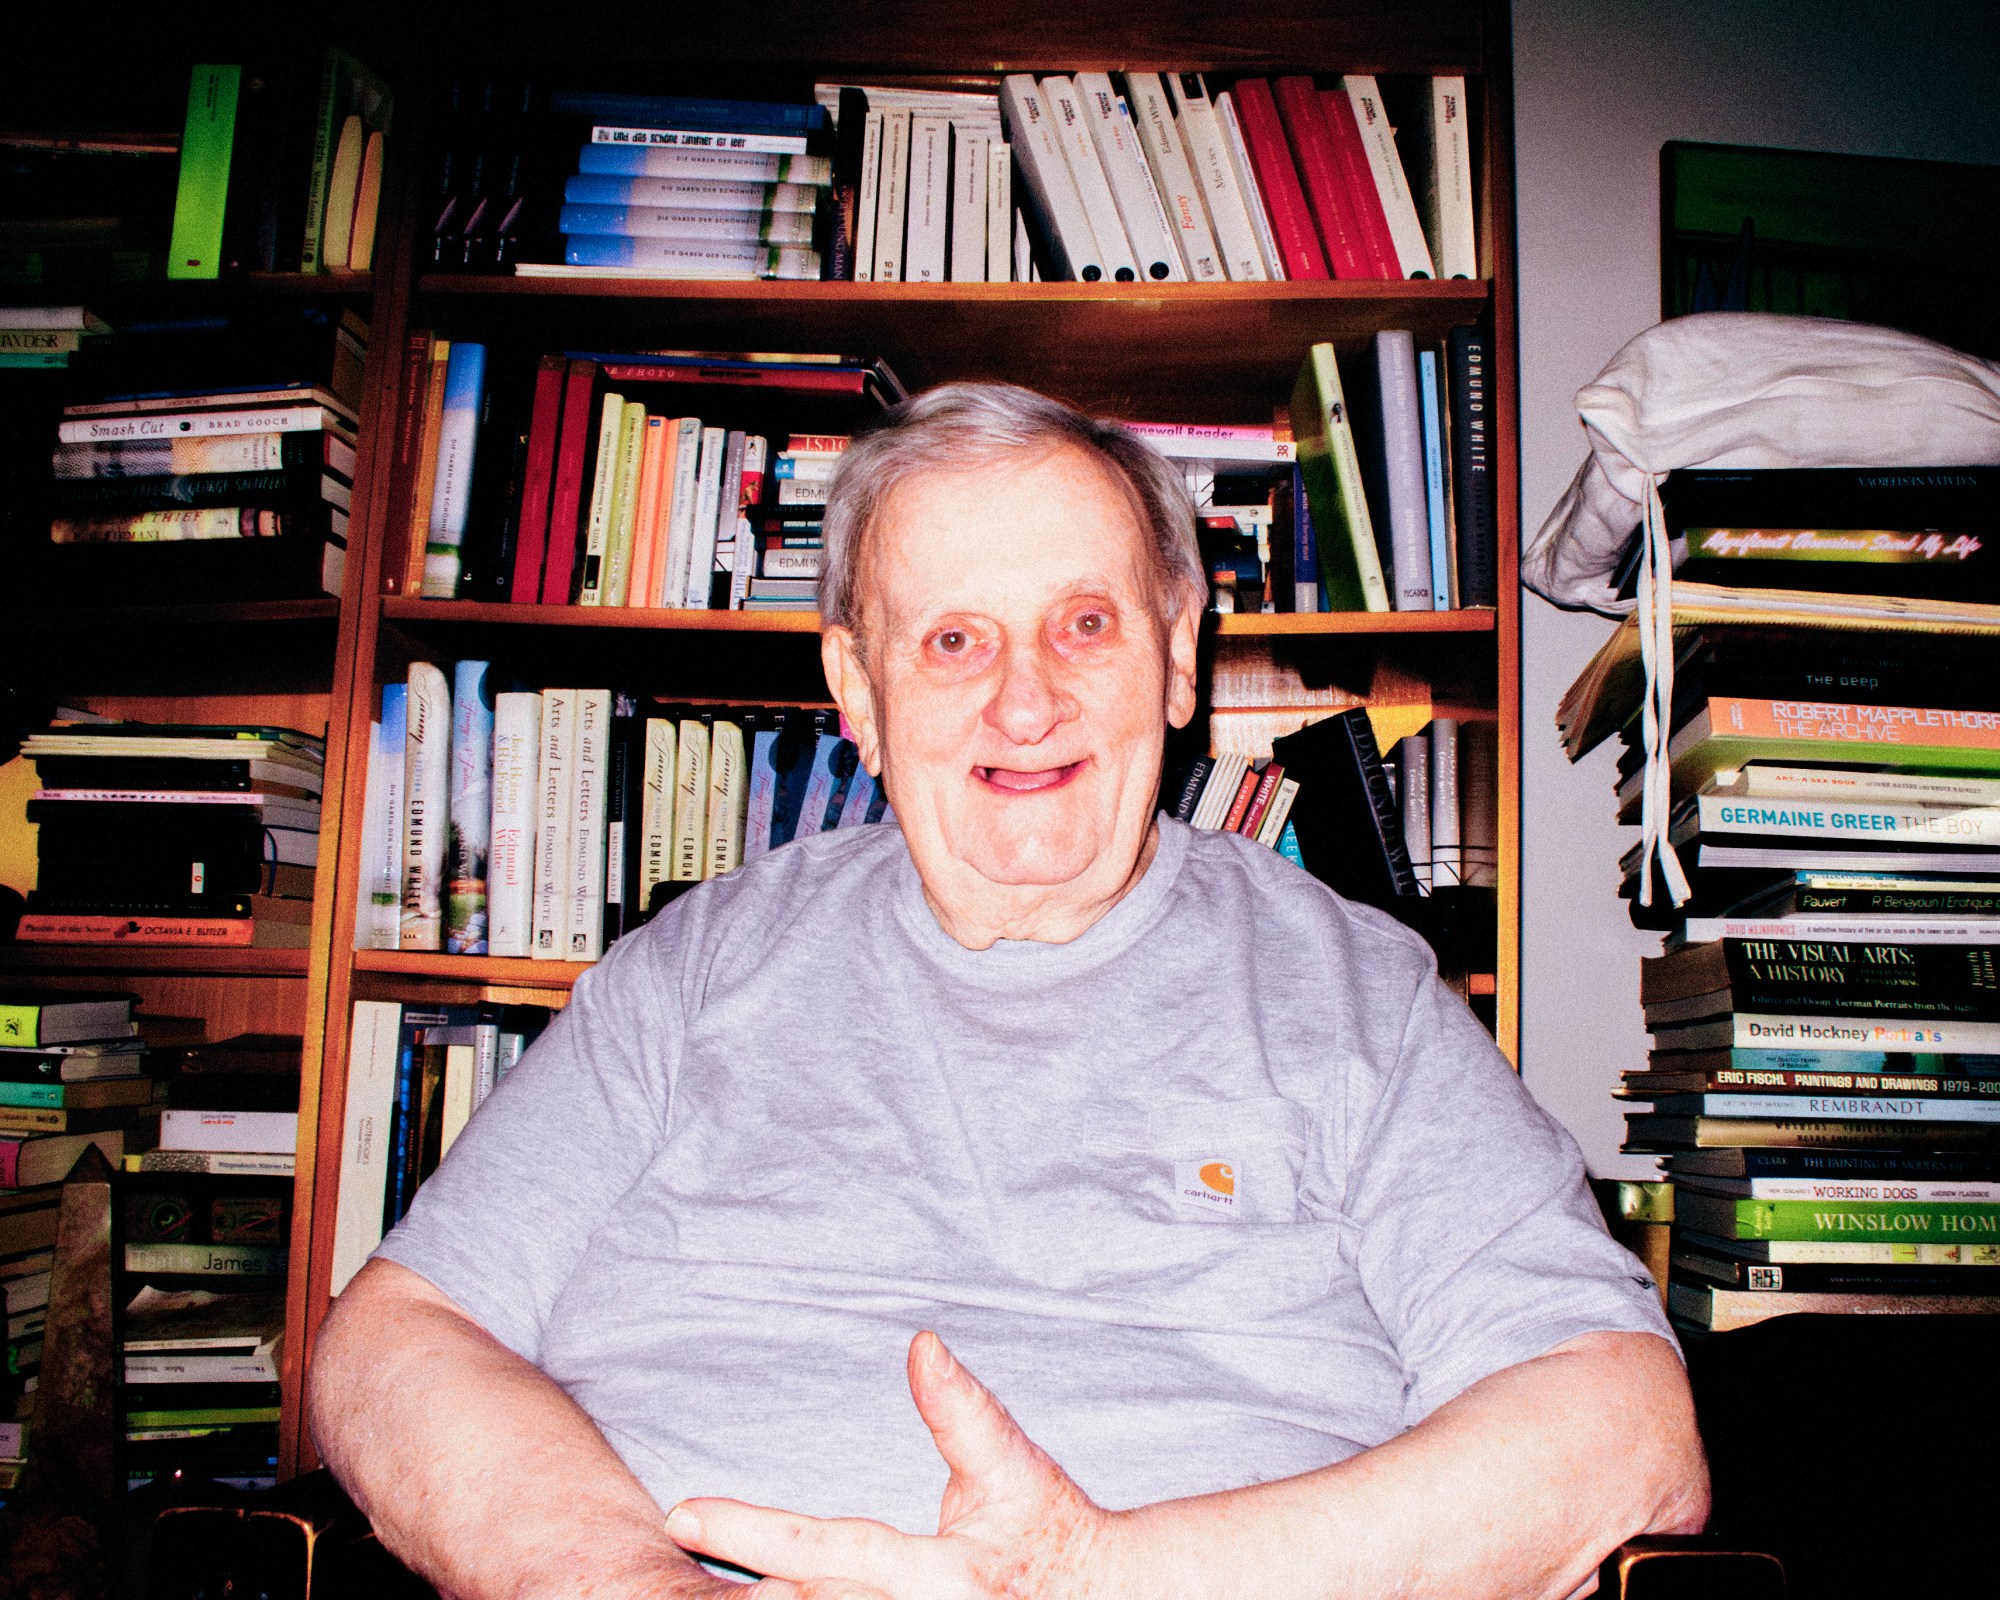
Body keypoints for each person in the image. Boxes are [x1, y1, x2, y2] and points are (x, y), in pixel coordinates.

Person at [308, 382, 1707, 1599]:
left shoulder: (1360, 997)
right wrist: (622, 1586)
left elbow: (1624, 1436)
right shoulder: (692, 969)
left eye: (1084, 624)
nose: (1024, 703)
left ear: (1175, 652)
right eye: (954, 640)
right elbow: (397, 1342)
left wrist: (1092, 1579)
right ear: (856, 686)